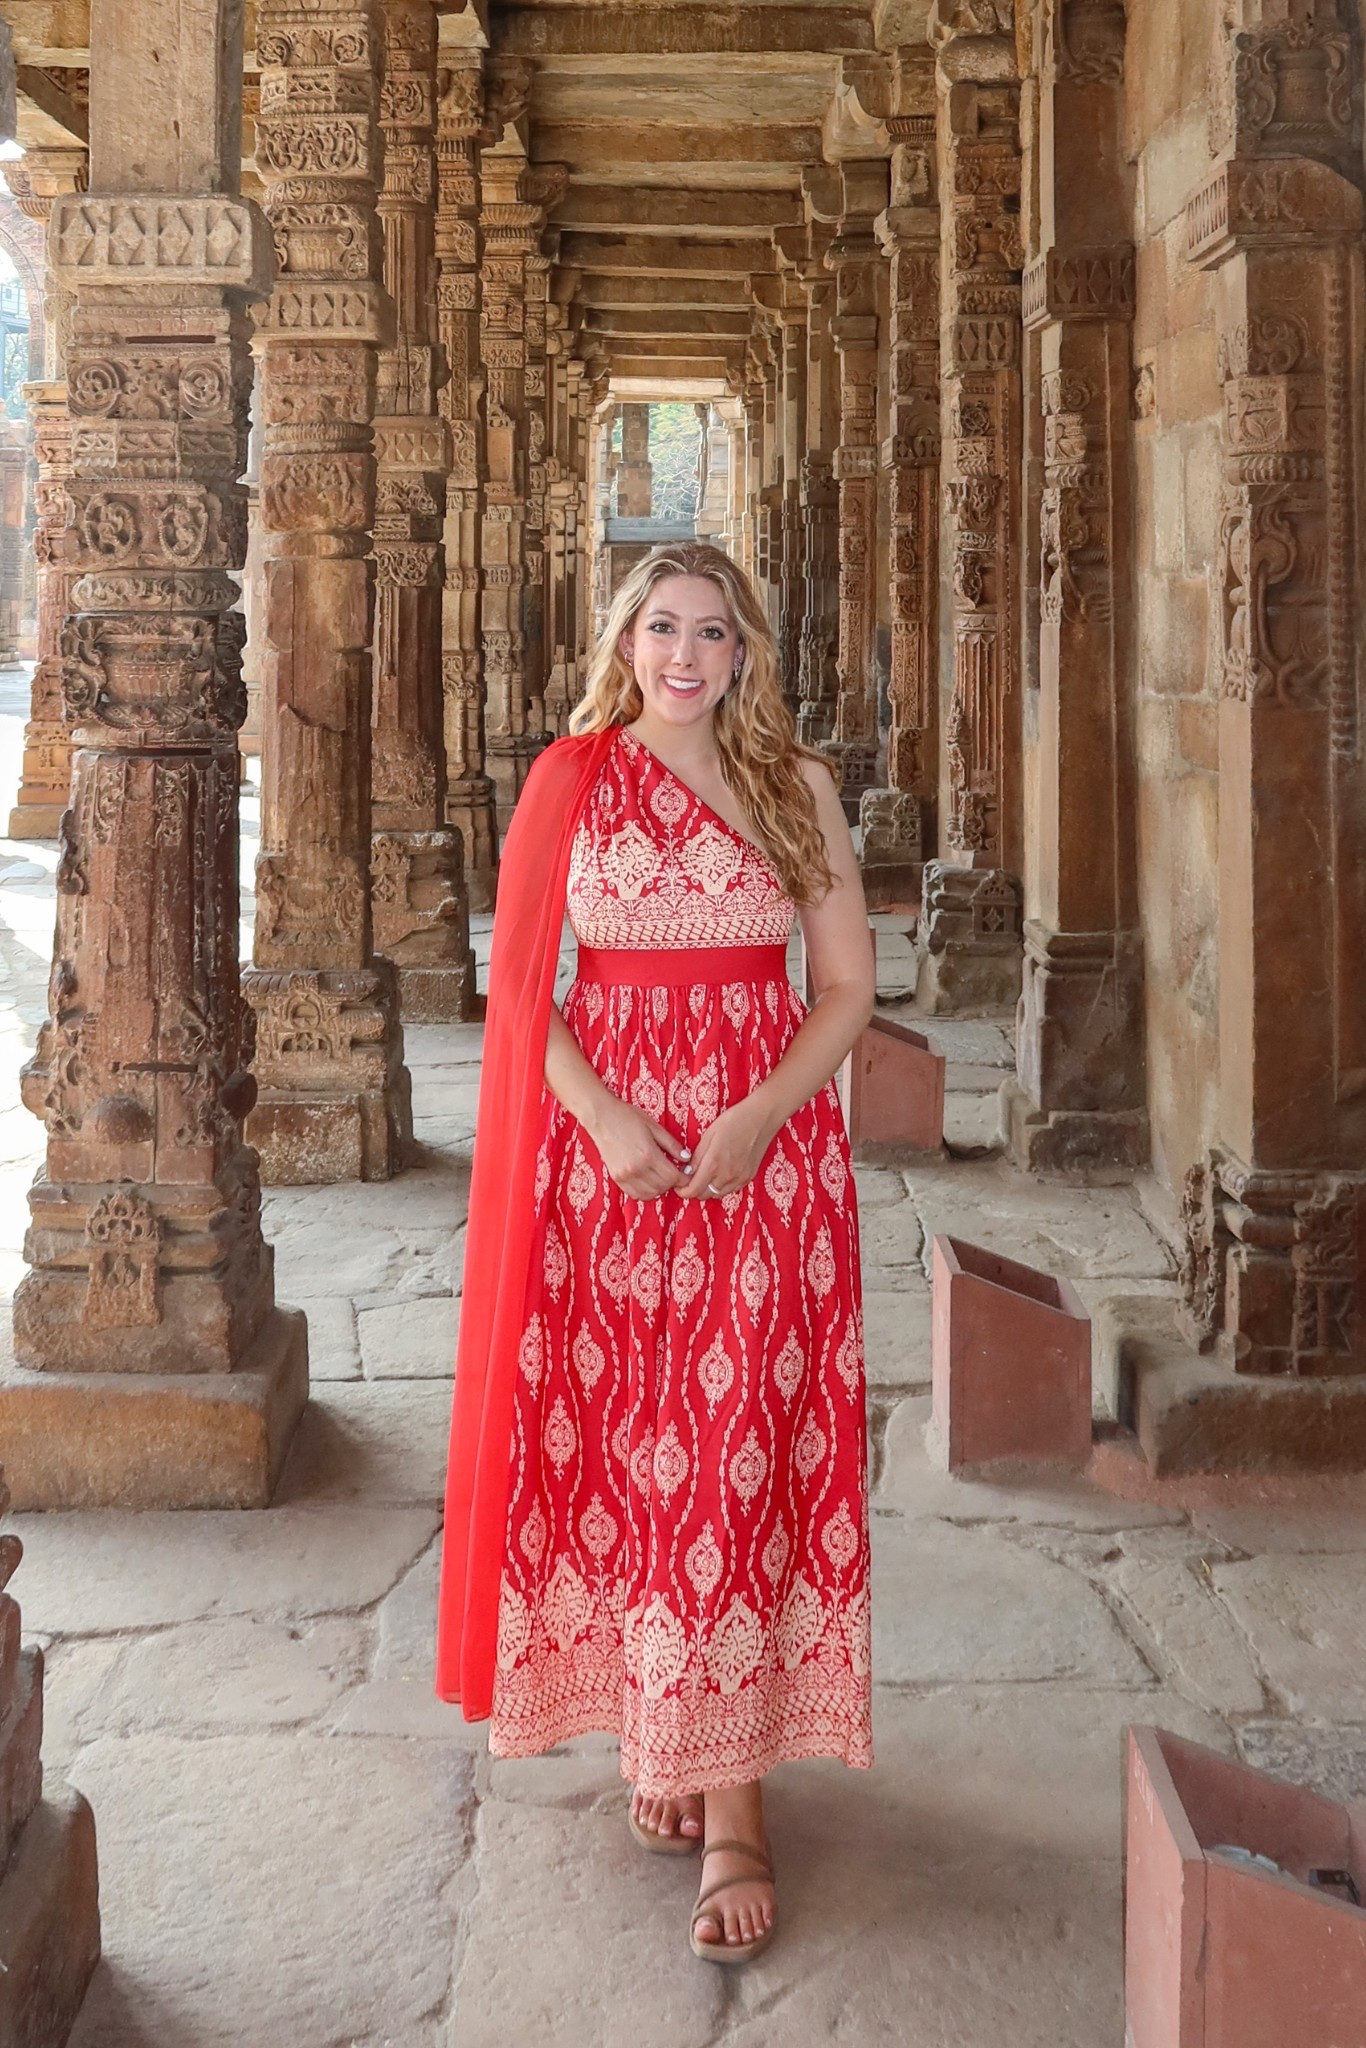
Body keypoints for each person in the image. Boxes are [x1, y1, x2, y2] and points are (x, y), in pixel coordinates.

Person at [437, 541, 875, 1964]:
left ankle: (736, 1804)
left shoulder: (794, 785)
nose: (686, 656)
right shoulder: (569, 782)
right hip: (611, 1171)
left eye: (713, 632)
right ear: (624, 642)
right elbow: (520, 991)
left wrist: (758, 1115)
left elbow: (846, 987)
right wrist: (605, 1118)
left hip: (766, 1167)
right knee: (636, 1450)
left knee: (735, 1451)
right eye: (663, 628)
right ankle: (662, 1731)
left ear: (746, 651)